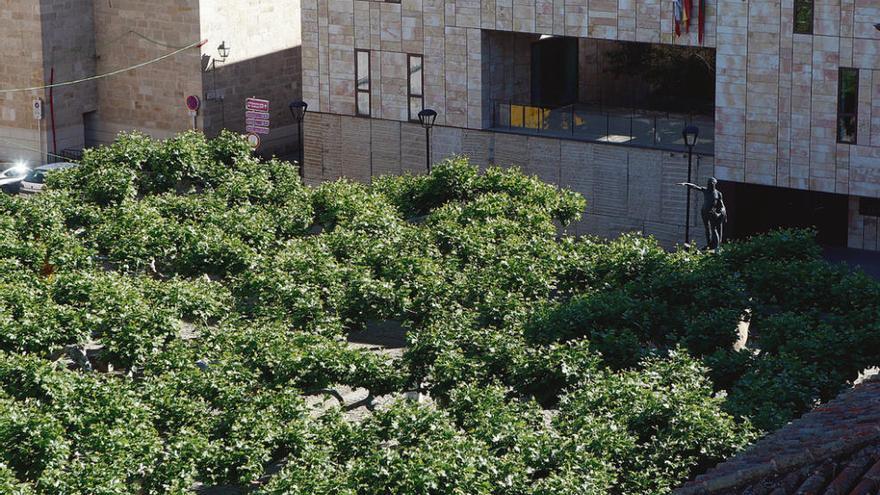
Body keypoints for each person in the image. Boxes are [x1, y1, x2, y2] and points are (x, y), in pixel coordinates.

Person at [678, 177, 727, 252]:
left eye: (710, 184)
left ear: (714, 184)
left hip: (712, 213)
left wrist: (721, 212)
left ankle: (716, 246)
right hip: (704, 212)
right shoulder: (705, 190)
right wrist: (686, 184)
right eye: (708, 184)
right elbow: (696, 187)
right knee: (707, 228)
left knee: (714, 229)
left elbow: (722, 205)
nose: (709, 185)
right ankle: (709, 244)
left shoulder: (718, 193)